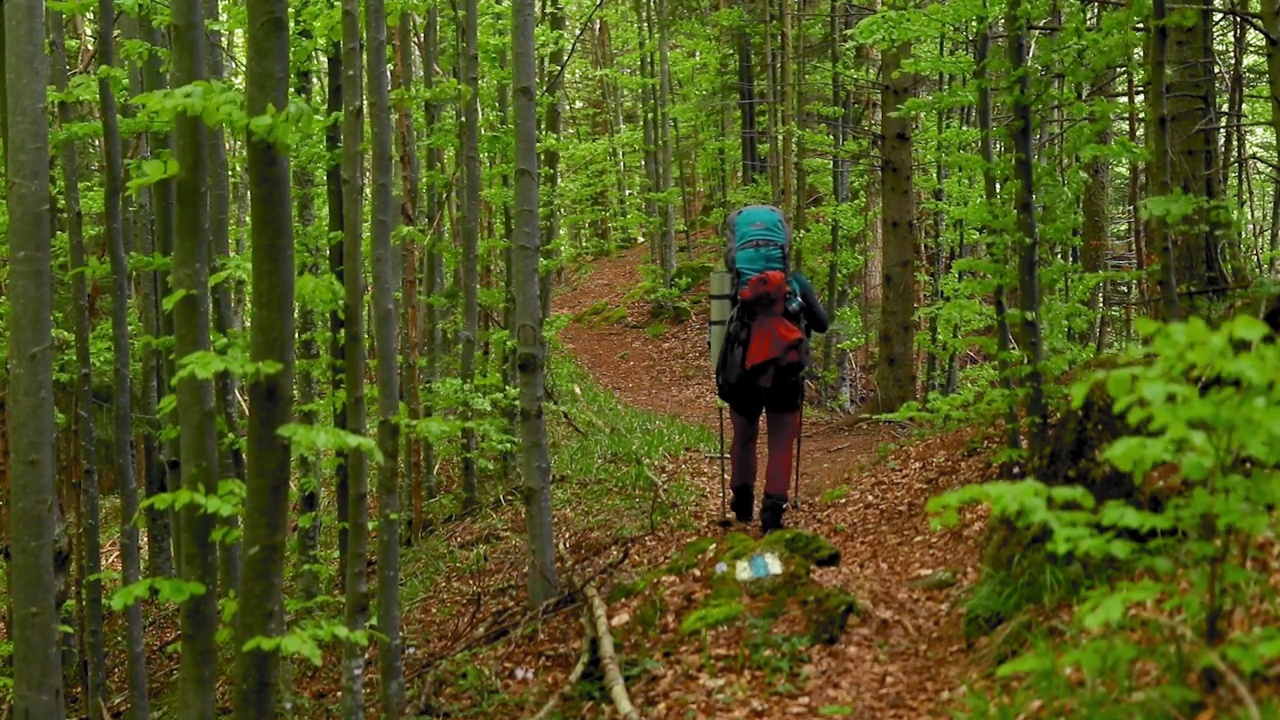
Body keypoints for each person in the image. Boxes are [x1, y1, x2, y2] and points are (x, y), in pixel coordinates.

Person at [715, 206, 829, 532]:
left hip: (741, 372)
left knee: (743, 436)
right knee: (781, 440)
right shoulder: (794, 283)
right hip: (785, 372)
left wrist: (719, 376)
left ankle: (741, 505)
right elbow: (822, 324)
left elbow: (716, 331)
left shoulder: (728, 284)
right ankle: (772, 514)